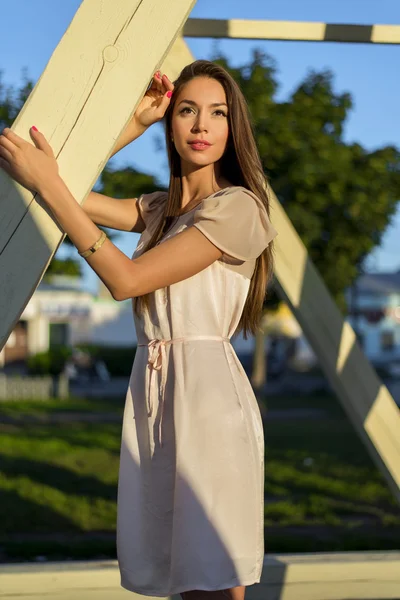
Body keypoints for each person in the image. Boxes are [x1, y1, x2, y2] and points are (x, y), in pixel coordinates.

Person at [0, 59, 278, 600]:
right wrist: (134, 124)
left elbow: (125, 280)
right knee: (181, 577)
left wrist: (45, 180)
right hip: (154, 394)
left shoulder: (239, 208)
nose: (201, 125)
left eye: (217, 113)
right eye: (187, 110)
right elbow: (68, 189)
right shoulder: (161, 210)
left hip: (208, 399)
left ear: (233, 128)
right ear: (172, 124)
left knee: (212, 578)